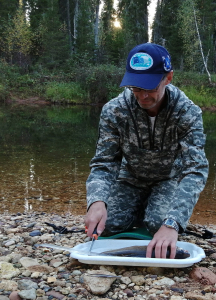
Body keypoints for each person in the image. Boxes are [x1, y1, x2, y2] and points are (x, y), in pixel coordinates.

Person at [84, 43, 208, 259]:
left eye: (150, 88)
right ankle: (139, 207)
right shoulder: (114, 111)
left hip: (167, 179)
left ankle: (152, 212)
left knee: (159, 224)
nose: (142, 96)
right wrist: (97, 201)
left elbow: (195, 170)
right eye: (136, 88)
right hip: (129, 177)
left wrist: (172, 222)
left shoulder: (188, 113)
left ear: (168, 78)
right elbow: (105, 162)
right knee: (108, 223)